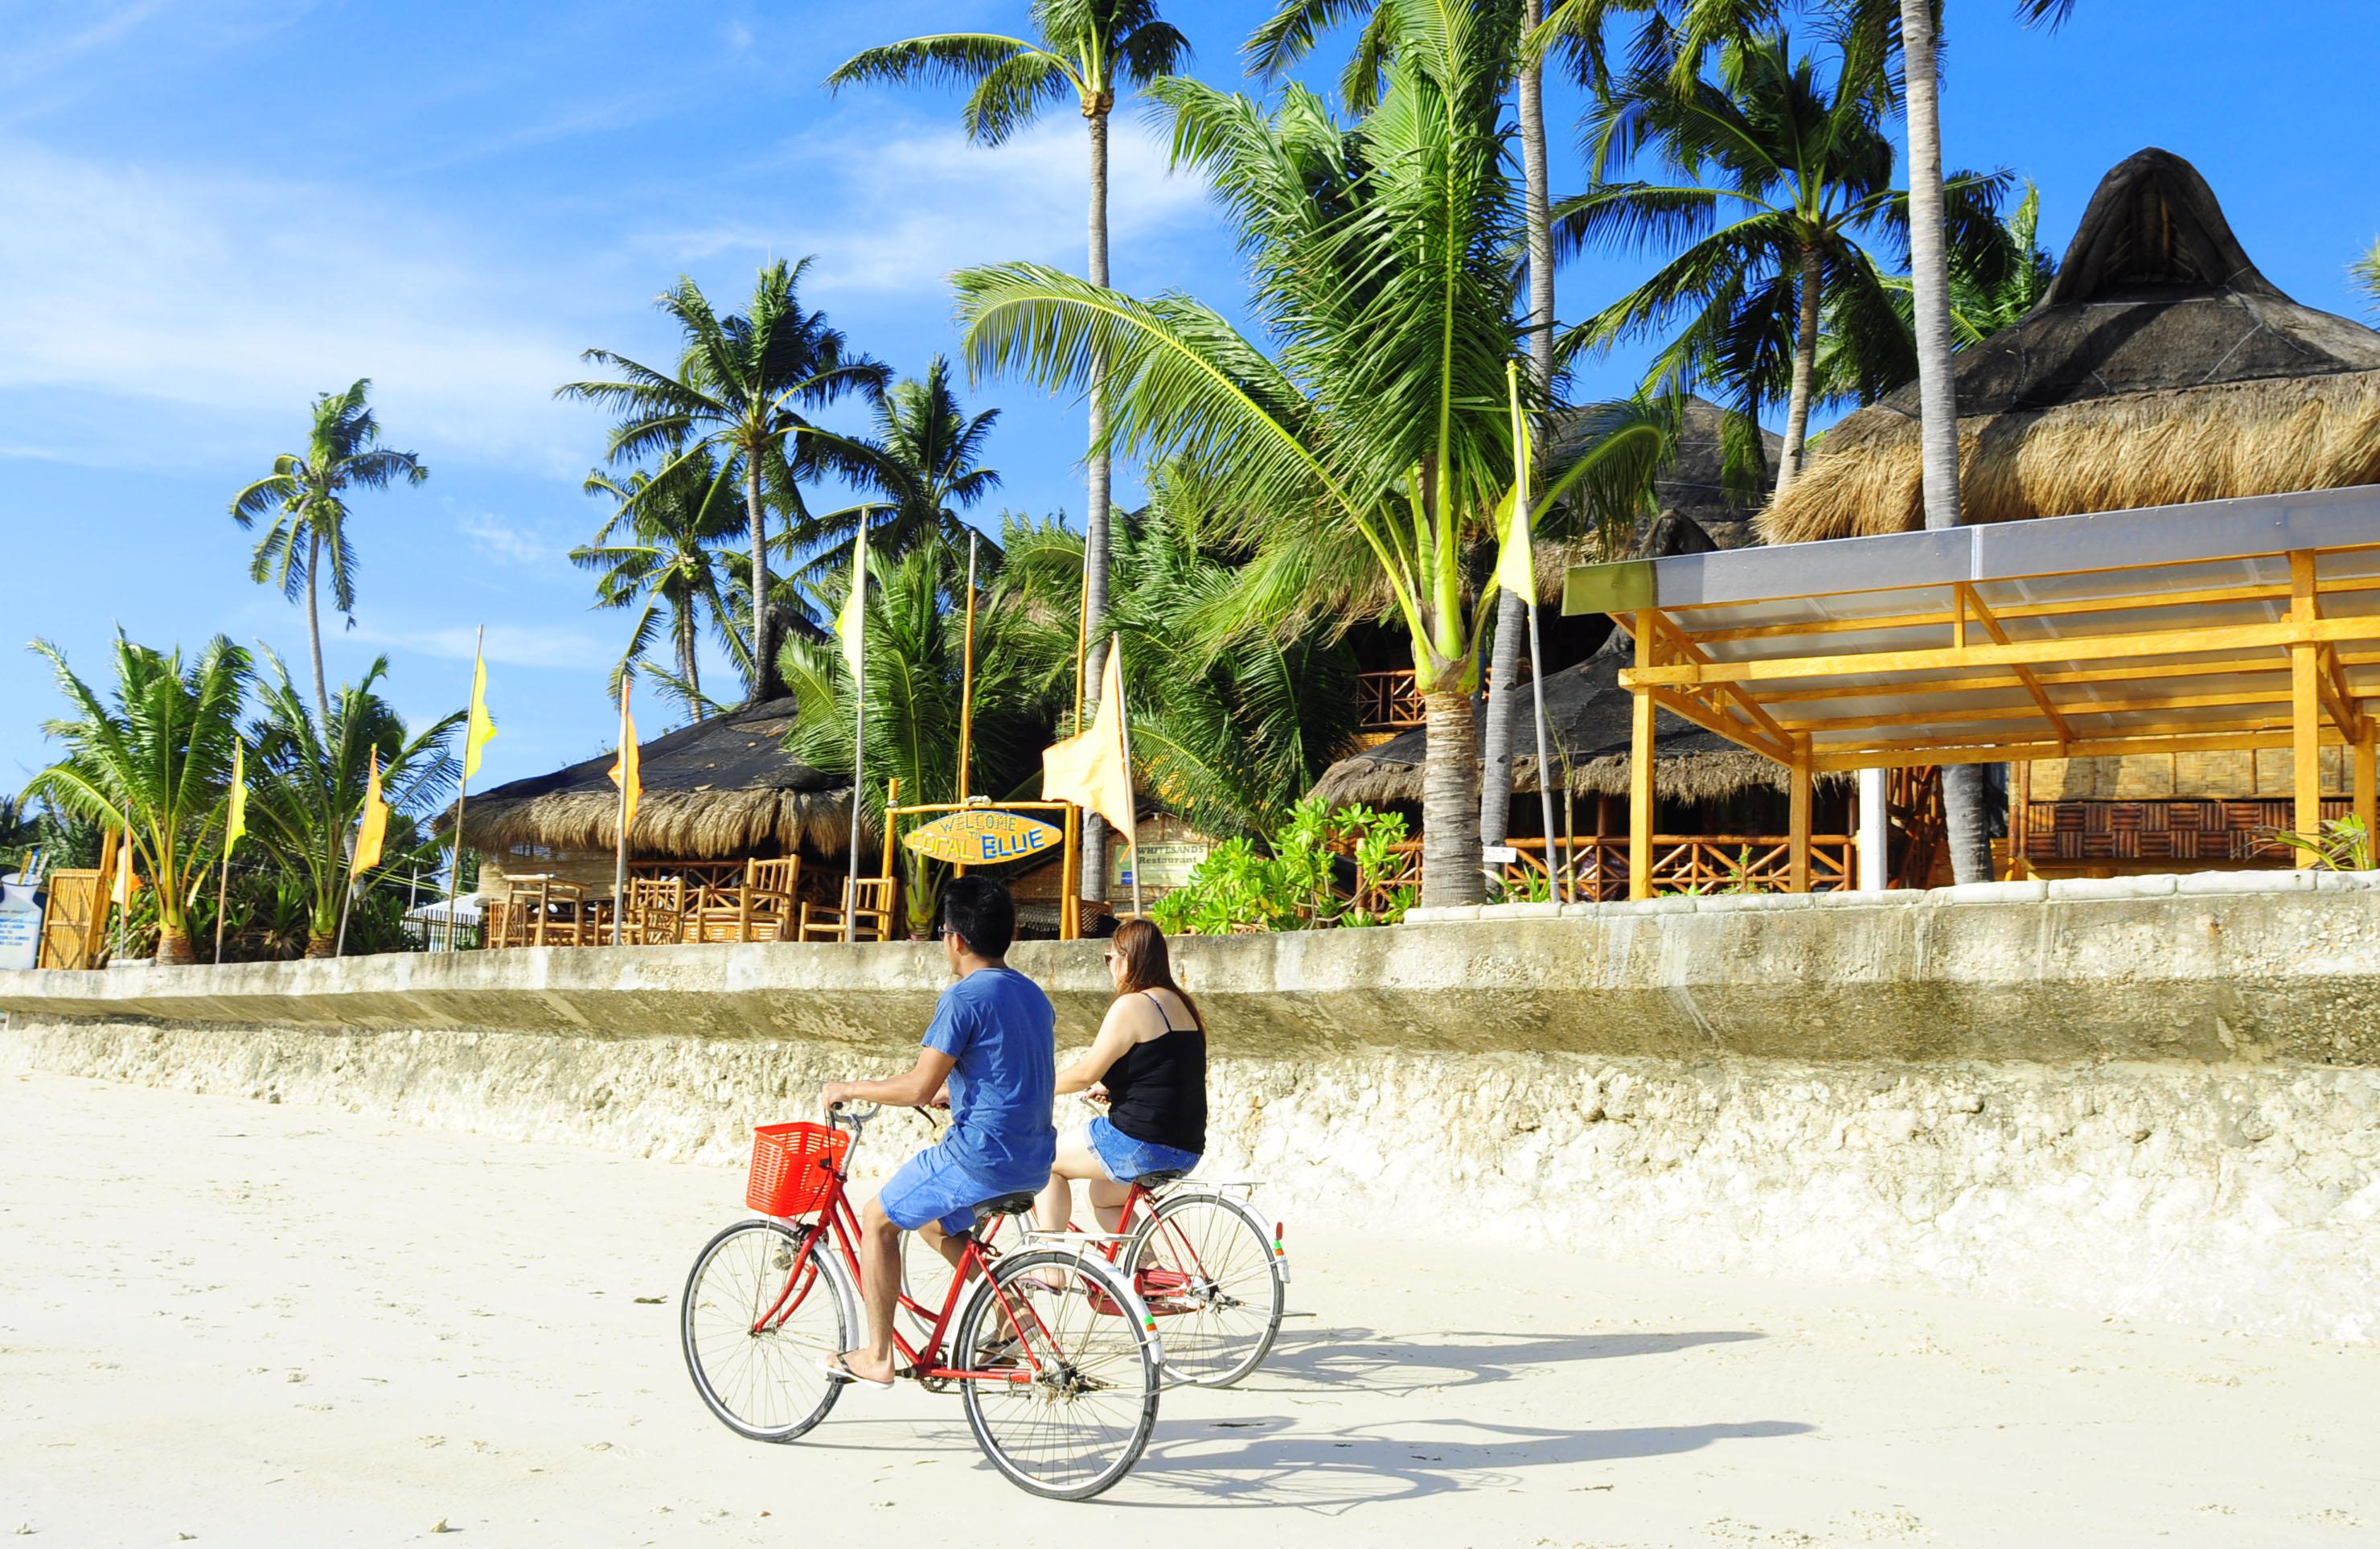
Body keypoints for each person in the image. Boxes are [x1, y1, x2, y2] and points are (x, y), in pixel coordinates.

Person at [819, 876, 1054, 1387]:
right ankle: (1014, 1310)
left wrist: (850, 1087)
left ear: (955, 939)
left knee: (878, 1219)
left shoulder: (964, 997)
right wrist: (962, 1092)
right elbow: (1006, 1070)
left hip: (981, 1155)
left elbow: (919, 1087)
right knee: (933, 1222)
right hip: (1033, 1159)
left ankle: (878, 1356)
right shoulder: (1033, 995)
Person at [1033, 918, 1206, 1239]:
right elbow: (1163, 1069)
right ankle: (1148, 1273)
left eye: (1109, 958)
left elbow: (1085, 1072)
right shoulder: (1181, 1003)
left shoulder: (1132, 1005)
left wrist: (1034, 1090)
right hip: (1186, 1145)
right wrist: (1113, 1087)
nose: (1109, 966)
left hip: (1141, 1140)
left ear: (1128, 959)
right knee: (1102, 1199)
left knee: (1043, 1159)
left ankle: (1049, 1264)